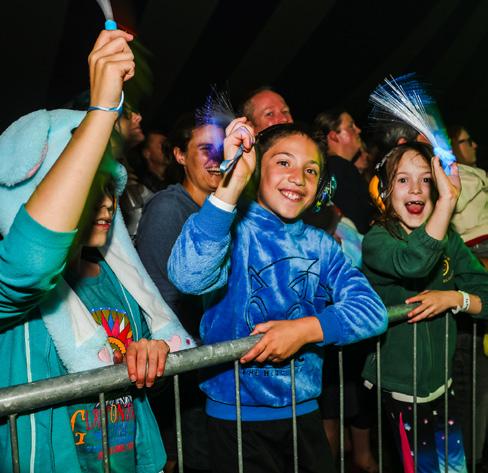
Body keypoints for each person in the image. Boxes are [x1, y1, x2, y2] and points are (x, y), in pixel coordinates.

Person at [0, 30, 194, 473]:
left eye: (110, 187)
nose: (107, 202)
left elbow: (139, 386)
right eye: (89, 188)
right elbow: (30, 265)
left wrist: (151, 358)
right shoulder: (15, 296)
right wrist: (103, 109)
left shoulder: (117, 279)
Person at [168, 119, 388, 473]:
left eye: (311, 170)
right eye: (284, 162)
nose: (298, 178)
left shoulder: (321, 246)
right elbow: (188, 277)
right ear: (256, 169)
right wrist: (231, 185)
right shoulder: (230, 231)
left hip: (304, 414)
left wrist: (305, 330)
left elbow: (372, 310)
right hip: (234, 420)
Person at [361, 142, 488, 473]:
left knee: (455, 469)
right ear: (385, 191)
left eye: (426, 180)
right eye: (403, 180)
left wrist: (455, 299)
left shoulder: (449, 239)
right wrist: (447, 203)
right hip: (401, 393)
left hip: (442, 386)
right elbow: (414, 263)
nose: (416, 188)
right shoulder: (377, 240)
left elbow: (485, 294)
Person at [137, 113, 225, 472]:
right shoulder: (169, 208)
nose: (216, 159)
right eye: (205, 149)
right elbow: (159, 294)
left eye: (221, 149)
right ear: (179, 155)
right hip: (184, 365)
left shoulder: (222, 208)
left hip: (210, 363)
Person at [315, 108, 374, 234]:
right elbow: (360, 219)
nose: (358, 130)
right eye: (351, 126)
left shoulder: (331, 168)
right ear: (334, 136)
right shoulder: (339, 167)